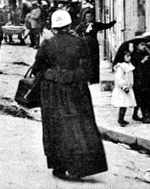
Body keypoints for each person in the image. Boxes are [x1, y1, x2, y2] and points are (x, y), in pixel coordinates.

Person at [33, 10, 108, 180]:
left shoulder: (47, 44)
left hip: (53, 89)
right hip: (75, 88)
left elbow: (38, 67)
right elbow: (88, 68)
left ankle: (59, 167)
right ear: (68, 25)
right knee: (79, 123)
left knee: (55, 126)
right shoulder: (79, 42)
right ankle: (80, 165)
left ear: (54, 26)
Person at [74, 9, 116, 84]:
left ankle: (95, 79)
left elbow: (106, 26)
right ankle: (88, 79)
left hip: (94, 44)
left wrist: (113, 22)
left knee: (95, 61)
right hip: (85, 44)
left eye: (91, 16)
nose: (89, 18)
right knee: (87, 61)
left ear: (93, 17)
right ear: (85, 17)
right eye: (87, 16)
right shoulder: (82, 25)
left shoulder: (96, 25)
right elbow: (76, 31)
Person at [111, 48, 136, 127]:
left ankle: (122, 118)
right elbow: (119, 78)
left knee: (125, 104)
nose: (129, 58)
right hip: (122, 89)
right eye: (127, 56)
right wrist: (124, 86)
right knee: (123, 104)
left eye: (130, 56)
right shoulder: (121, 67)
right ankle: (120, 119)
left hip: (128, 87)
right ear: (123, 57)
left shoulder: (129, 65)